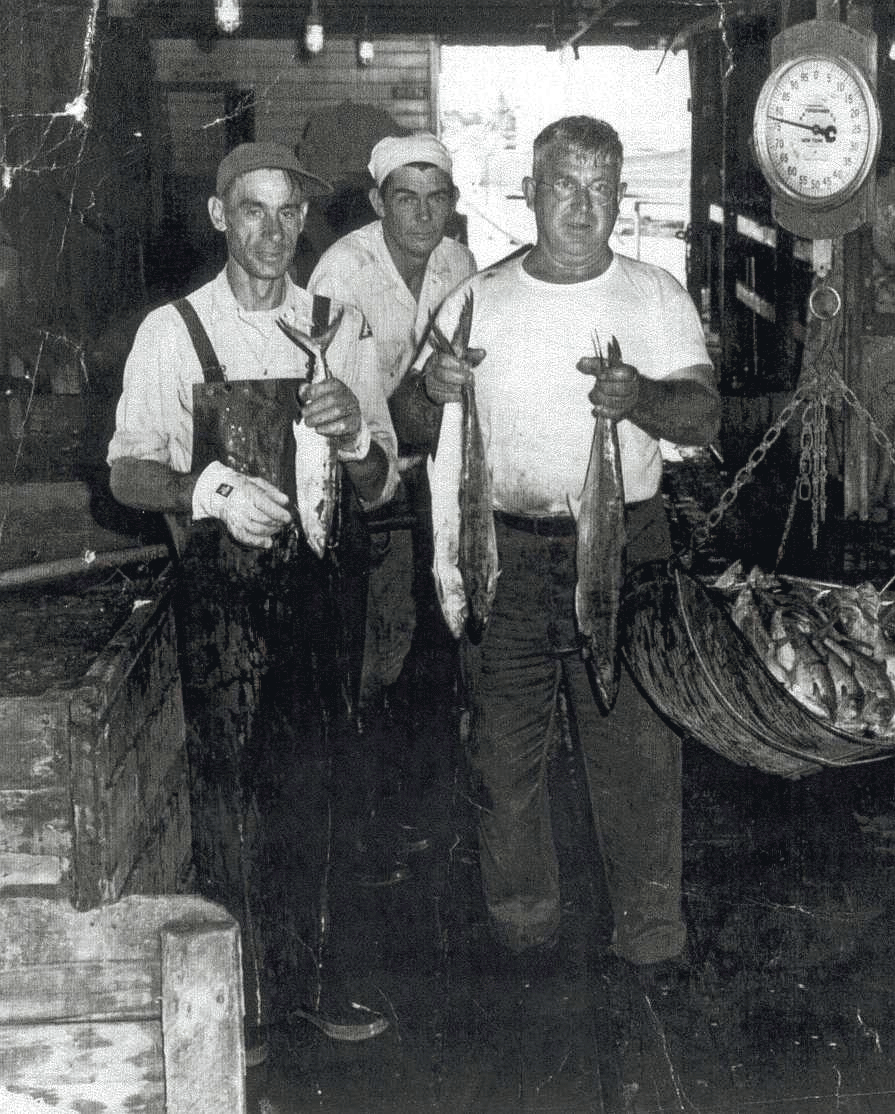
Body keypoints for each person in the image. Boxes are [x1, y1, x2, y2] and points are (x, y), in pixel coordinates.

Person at [390, 116, 719, 984]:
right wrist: (432, 388)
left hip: (625, 548)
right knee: (503, 753)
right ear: (529, 193)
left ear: (620, 196)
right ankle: (523, 929)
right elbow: (408, 422)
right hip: (500, 548)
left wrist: (641, 397)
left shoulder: (655, 294)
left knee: (638, 750)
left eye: (601, 187)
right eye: (565, 185)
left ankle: (650, 936)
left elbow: (702, 416)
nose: (583, 204)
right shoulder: (477, 298)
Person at [107, 141, 400, 1062]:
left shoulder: (341, 326)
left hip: (324, 596)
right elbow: (126, 471)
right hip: (220, 608)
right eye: (252, 210)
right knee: (228, 793)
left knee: (322, 782)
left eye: (288, 212)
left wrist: (355, 439)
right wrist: (209, 490)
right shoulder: (173, 332)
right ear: (218, 216)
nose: (273, 232)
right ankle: (241, 1008)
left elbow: (382, 483)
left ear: (303, 220)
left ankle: (316, 985)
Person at [307, 135, 476, 879]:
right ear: (379, 202)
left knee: (435, 638)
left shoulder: (458, 264)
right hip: (360, 477)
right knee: (369, 649)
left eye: (437, 199)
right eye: (406, 198)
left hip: (433, 480)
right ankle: (361, 828)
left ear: (453, 203)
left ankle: (423, 814)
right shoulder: (342, 271)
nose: (423, 215)